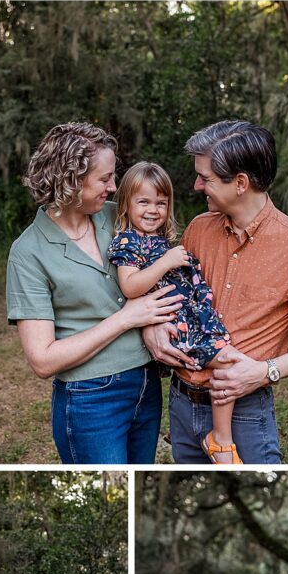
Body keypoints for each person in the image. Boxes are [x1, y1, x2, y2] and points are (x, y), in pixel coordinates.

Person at [146, 120, 288, 464]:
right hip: (181, 403)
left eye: (206, 178)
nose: (196, 186)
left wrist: (264, 371)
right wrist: (152, 327)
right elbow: (172, 292)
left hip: (244, 410)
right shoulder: (198, 230)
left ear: (240, 182)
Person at [7, 121, 183, 465]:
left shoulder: (118, 217)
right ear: (71, 179)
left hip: (147, 384)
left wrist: (154, 323)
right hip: (90, 398)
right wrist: (126, 319)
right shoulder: (28, 252)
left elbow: (156, 272)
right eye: (104, 179)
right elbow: (43, 360)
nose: (114, 187)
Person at [108, 161, 240, 464]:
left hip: (192, 317)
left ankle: (219, 439)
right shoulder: (128, 242)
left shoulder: (159, 240)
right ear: (126, 204)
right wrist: (166, 262)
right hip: (176, 324)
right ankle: (221, 441)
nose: (153, 210)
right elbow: (130, 286)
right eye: (143, 202)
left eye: (161, 202)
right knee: (230, 362)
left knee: (226, 363)